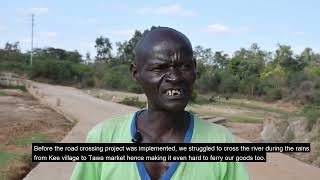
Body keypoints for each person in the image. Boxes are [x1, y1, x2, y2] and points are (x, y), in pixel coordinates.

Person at [70, 27, 249, 180]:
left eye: (185, 66)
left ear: (195, 68)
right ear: (136, 73)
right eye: (160, 68)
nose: (175, 77)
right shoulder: (103, 138)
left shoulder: (220, 141)